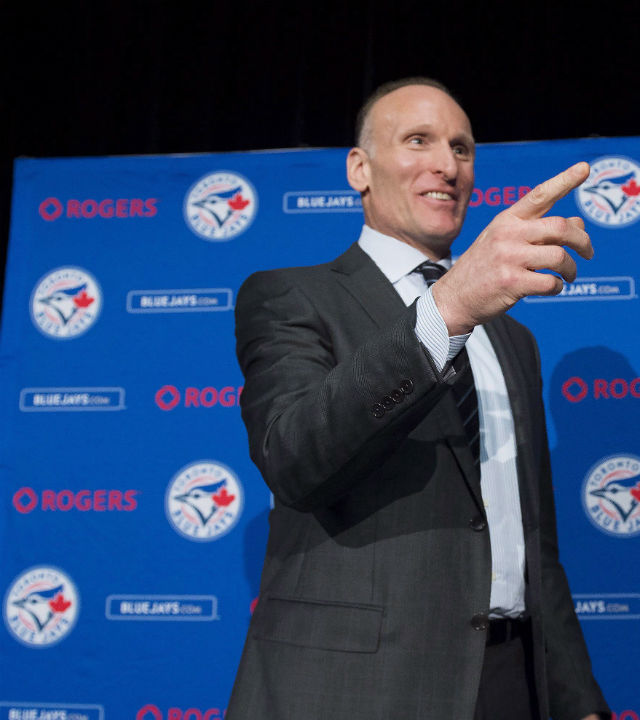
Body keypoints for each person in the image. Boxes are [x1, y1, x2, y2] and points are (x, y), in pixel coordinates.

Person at [226, 77, 609, 720]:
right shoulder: (290, 297)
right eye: (417, 140)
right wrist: (450, 307)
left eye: (462, 148)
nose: (446, 164)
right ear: (359, 168)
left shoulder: (513, 339)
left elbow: (533, 542)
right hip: (355, 690)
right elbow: (295, 458)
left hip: (509, 682)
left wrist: (578, 700)